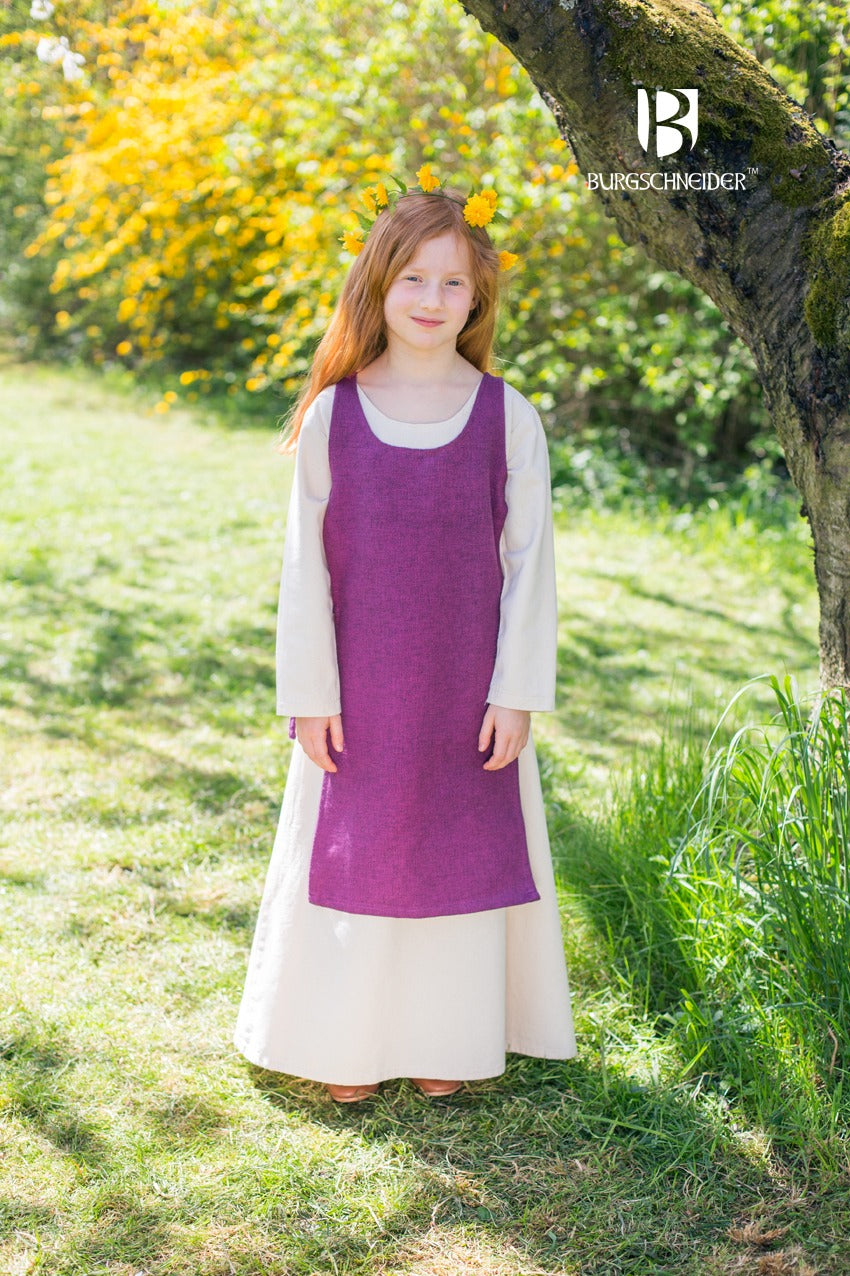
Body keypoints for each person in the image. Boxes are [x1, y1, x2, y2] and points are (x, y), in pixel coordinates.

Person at [233, 171, 576, 1103]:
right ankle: (342, 1045)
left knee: (460, 848)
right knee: (360, 849)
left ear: (479, 295)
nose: (433, 298)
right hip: (358, 688)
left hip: (469, 691)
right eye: (414, 278)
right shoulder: (334, 415)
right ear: (378, 283)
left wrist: (517, 692)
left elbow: (532, 565)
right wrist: (309, 696)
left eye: (454, 281)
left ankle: (446, 1036)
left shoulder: (507, 415)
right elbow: (304, 569)